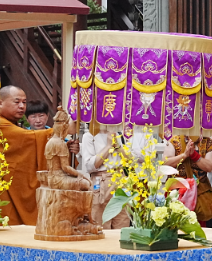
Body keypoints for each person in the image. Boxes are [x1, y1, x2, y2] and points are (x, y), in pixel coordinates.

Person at [0, 85, 76, 225]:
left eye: (24, 102)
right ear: (1, 103)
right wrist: (62, 130)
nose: (22, 106)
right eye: (17, 102)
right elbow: (28, 138)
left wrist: (66, 148)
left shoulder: (12, 124)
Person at [81, 130, 132, 228]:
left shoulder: (119, 134)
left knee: (122, 222)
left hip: (120, 178)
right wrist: (108, 146)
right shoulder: (89, 136)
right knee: (101, 222)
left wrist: (117, 146)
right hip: (101, 180)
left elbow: (129, 161)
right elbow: (90, 166)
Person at [163, 134, 212, 224]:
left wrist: (194, 155)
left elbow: (209, 167)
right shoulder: (175, 140)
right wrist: (184, 155)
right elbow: (165, 163)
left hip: (199, 194)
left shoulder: (207, 142)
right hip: (176, 193)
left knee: (197, 227)